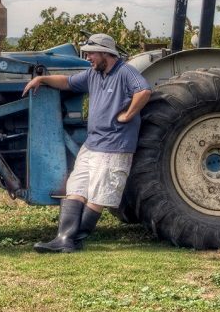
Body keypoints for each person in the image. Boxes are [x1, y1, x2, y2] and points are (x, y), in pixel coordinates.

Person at [22, 33, 151, 253]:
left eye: (91, 53)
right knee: (76, 187)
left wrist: (128, 114)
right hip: (92, 144)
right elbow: (68, 82)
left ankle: (73, 240)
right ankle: (64, 238)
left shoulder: (125, 72)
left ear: (105, 53)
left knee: (99, 193)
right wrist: (42, 79)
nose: (88, 57)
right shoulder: (93, 74)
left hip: (113, 145)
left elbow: (144, 90)